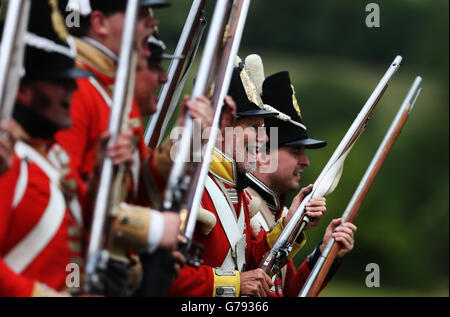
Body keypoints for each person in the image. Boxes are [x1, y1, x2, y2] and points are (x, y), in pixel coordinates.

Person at [0, 0, 127, 296]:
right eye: (60, 82)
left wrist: (101, 174)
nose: (73, 90)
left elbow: (83, 237)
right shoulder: (8, 160)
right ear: (22, 88)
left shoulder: (52, 156)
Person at [167, 59, 316, 297]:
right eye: (255, 126)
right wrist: (234, 284)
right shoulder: (190, 185)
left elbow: (249, 262)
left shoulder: (236, 189)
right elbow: (164, 277)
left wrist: (289, 225)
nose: (265, 138)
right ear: (226, 122)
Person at [245, 66, 357, 296]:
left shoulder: (277, 210)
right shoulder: (243, 205)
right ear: (263, 152)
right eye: (295, 151)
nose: (305, 161)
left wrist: (324, 253)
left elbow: (288, 292)